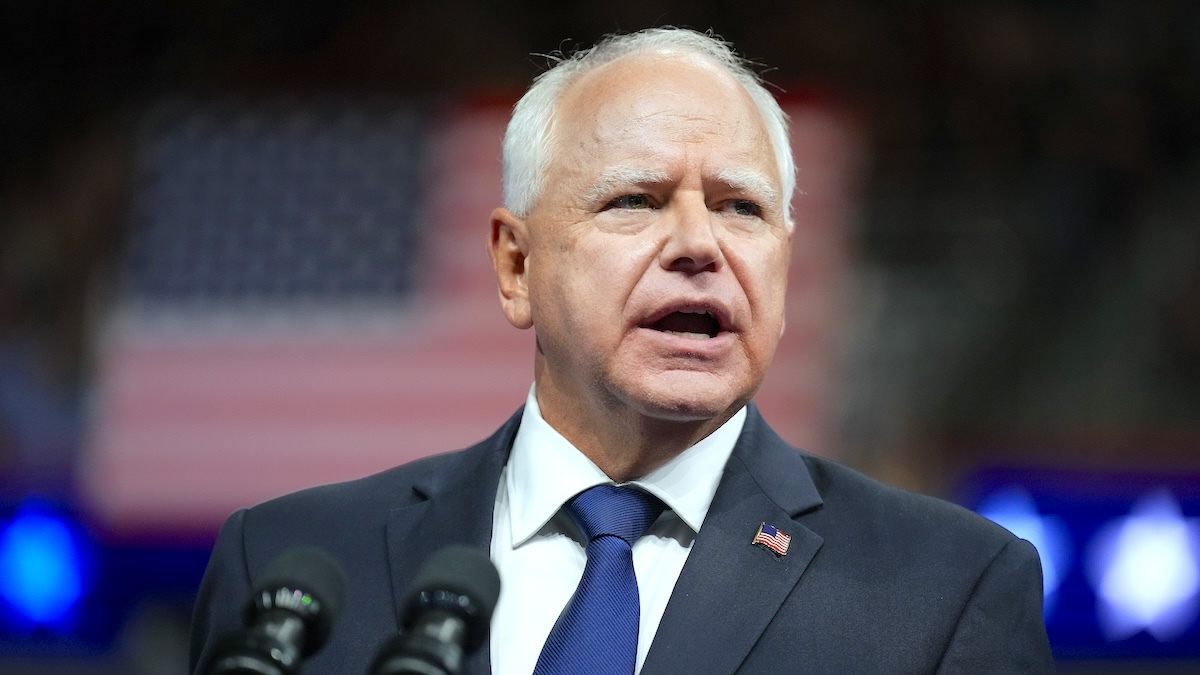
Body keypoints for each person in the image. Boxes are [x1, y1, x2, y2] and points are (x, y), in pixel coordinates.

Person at [191, 27, 1054, 674]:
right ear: (516, 264)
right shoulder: (286, 563)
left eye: (741, 208)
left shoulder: (947, 591)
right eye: (635, 199)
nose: (698, 244)